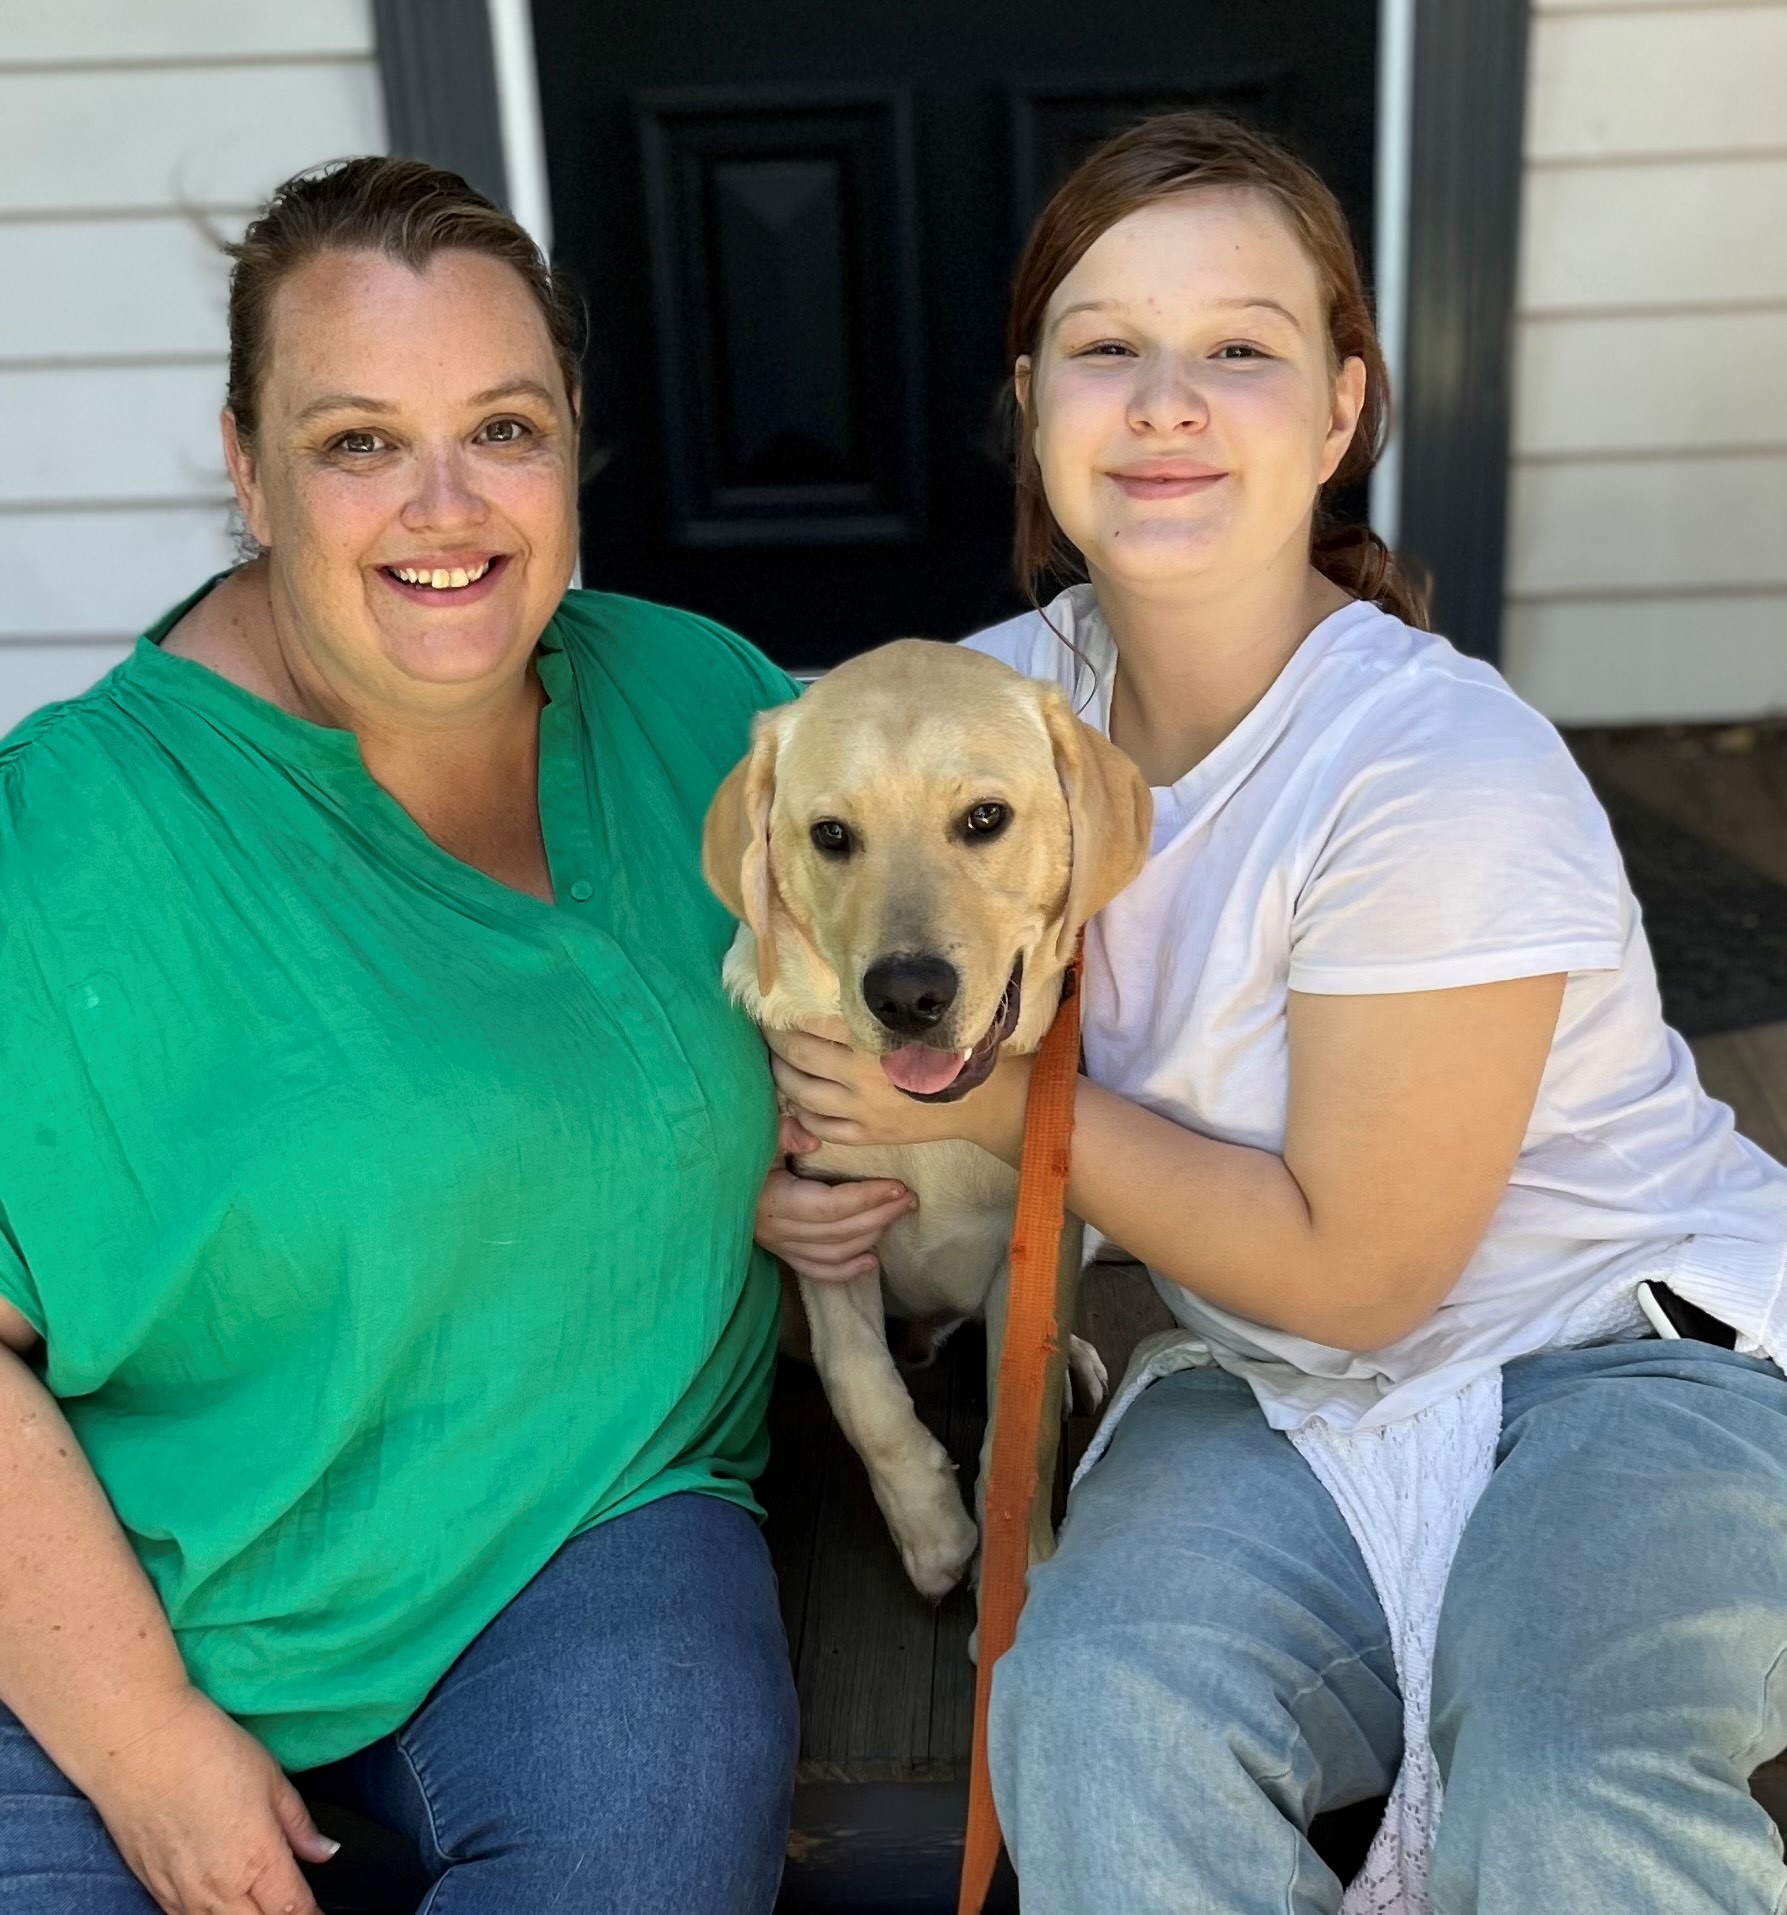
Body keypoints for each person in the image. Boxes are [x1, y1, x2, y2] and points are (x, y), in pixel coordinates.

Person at [765, 113, 1787, 1914]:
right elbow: (801, 923)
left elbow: (1359, 1276)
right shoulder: (977, 714)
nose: (1165, 399)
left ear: (1338, 411)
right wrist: (791, 1159)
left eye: (1238, 346)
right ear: (1031, 406)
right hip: (1250, 1380)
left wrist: (982, 1114)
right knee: (1092, 1712)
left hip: (1612, 1348)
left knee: (1569, 1782)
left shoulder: (1440, 769)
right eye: (1106, 347)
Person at [0, 157, 813, 1915]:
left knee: (650, 1853)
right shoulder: (57, 845)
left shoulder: (703, 709)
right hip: (108, 1600)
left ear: (572, 436)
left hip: (583, 1523)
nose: (447, 507)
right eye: (359, 442)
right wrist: (143, 1738)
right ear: (247, 464)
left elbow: (973, 874)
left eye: (503, 429)